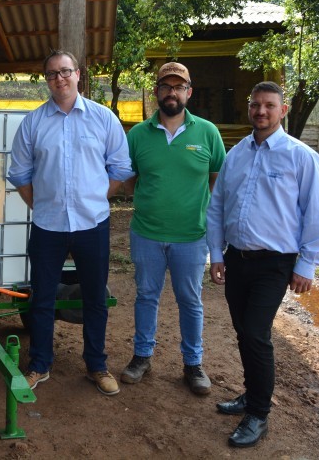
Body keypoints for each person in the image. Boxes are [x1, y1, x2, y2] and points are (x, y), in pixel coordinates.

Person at [207, 81, 319, 448]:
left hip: (275, 264)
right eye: (256, 105)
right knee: (245, 332)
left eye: (269, 106)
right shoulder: (237, 154)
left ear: (283, 109)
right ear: (249, 107)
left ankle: (258, 414)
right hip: (237, 260)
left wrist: (307, 265)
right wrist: (216, 254)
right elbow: (217, 207)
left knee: (257, 334)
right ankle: (252, 393)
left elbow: (315, 214)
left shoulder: (301, 156)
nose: (261, 111)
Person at [7, 49, 134, 395]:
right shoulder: (33, 122)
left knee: (94, 298)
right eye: (51, 74)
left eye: (65, 72)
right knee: (42, 298)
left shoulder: (102, 119)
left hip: (93, 224)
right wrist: (43, 204)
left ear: (78, 74)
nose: (59, 79)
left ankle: (96, 365)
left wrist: (94, 199)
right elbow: (19, 173)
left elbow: (121, 168)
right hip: (48, 227)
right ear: (46, 80)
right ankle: (39, 365)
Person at [120, 62, 226, 395]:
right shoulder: (137, 135)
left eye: (179, 87)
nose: (172, 93)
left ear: (188, 92)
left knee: (190, 300)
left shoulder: (207, 132)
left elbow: (217, 181)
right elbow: (127, 181)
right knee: (146, 296)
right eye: (166, 86)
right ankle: (141, 356)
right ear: (156, 92)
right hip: (146, 233)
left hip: (192, 237)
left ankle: (193, 365)